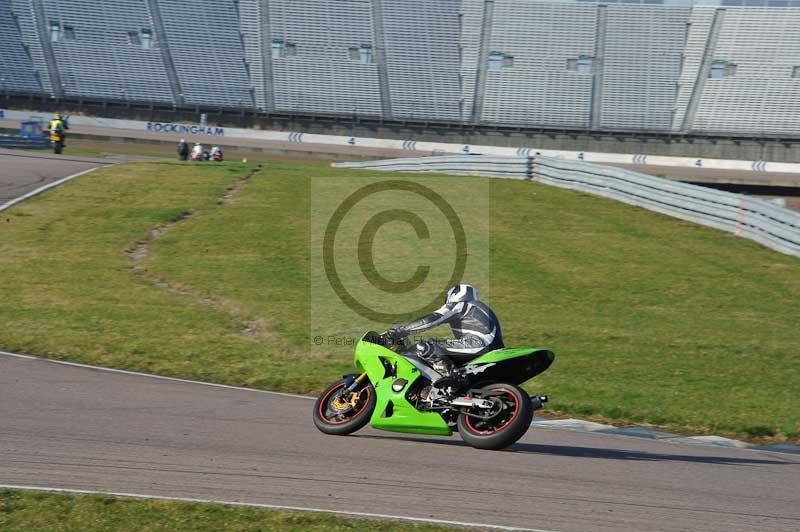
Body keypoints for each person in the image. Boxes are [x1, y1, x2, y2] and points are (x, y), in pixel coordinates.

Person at [389, 284, 503, 389]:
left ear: (454, 295)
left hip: (478, 344)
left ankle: (452, 376)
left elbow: (433, 318)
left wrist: (403, 331)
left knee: (425, 346)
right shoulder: (480, 308)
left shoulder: (462, 305)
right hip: (491, 347)